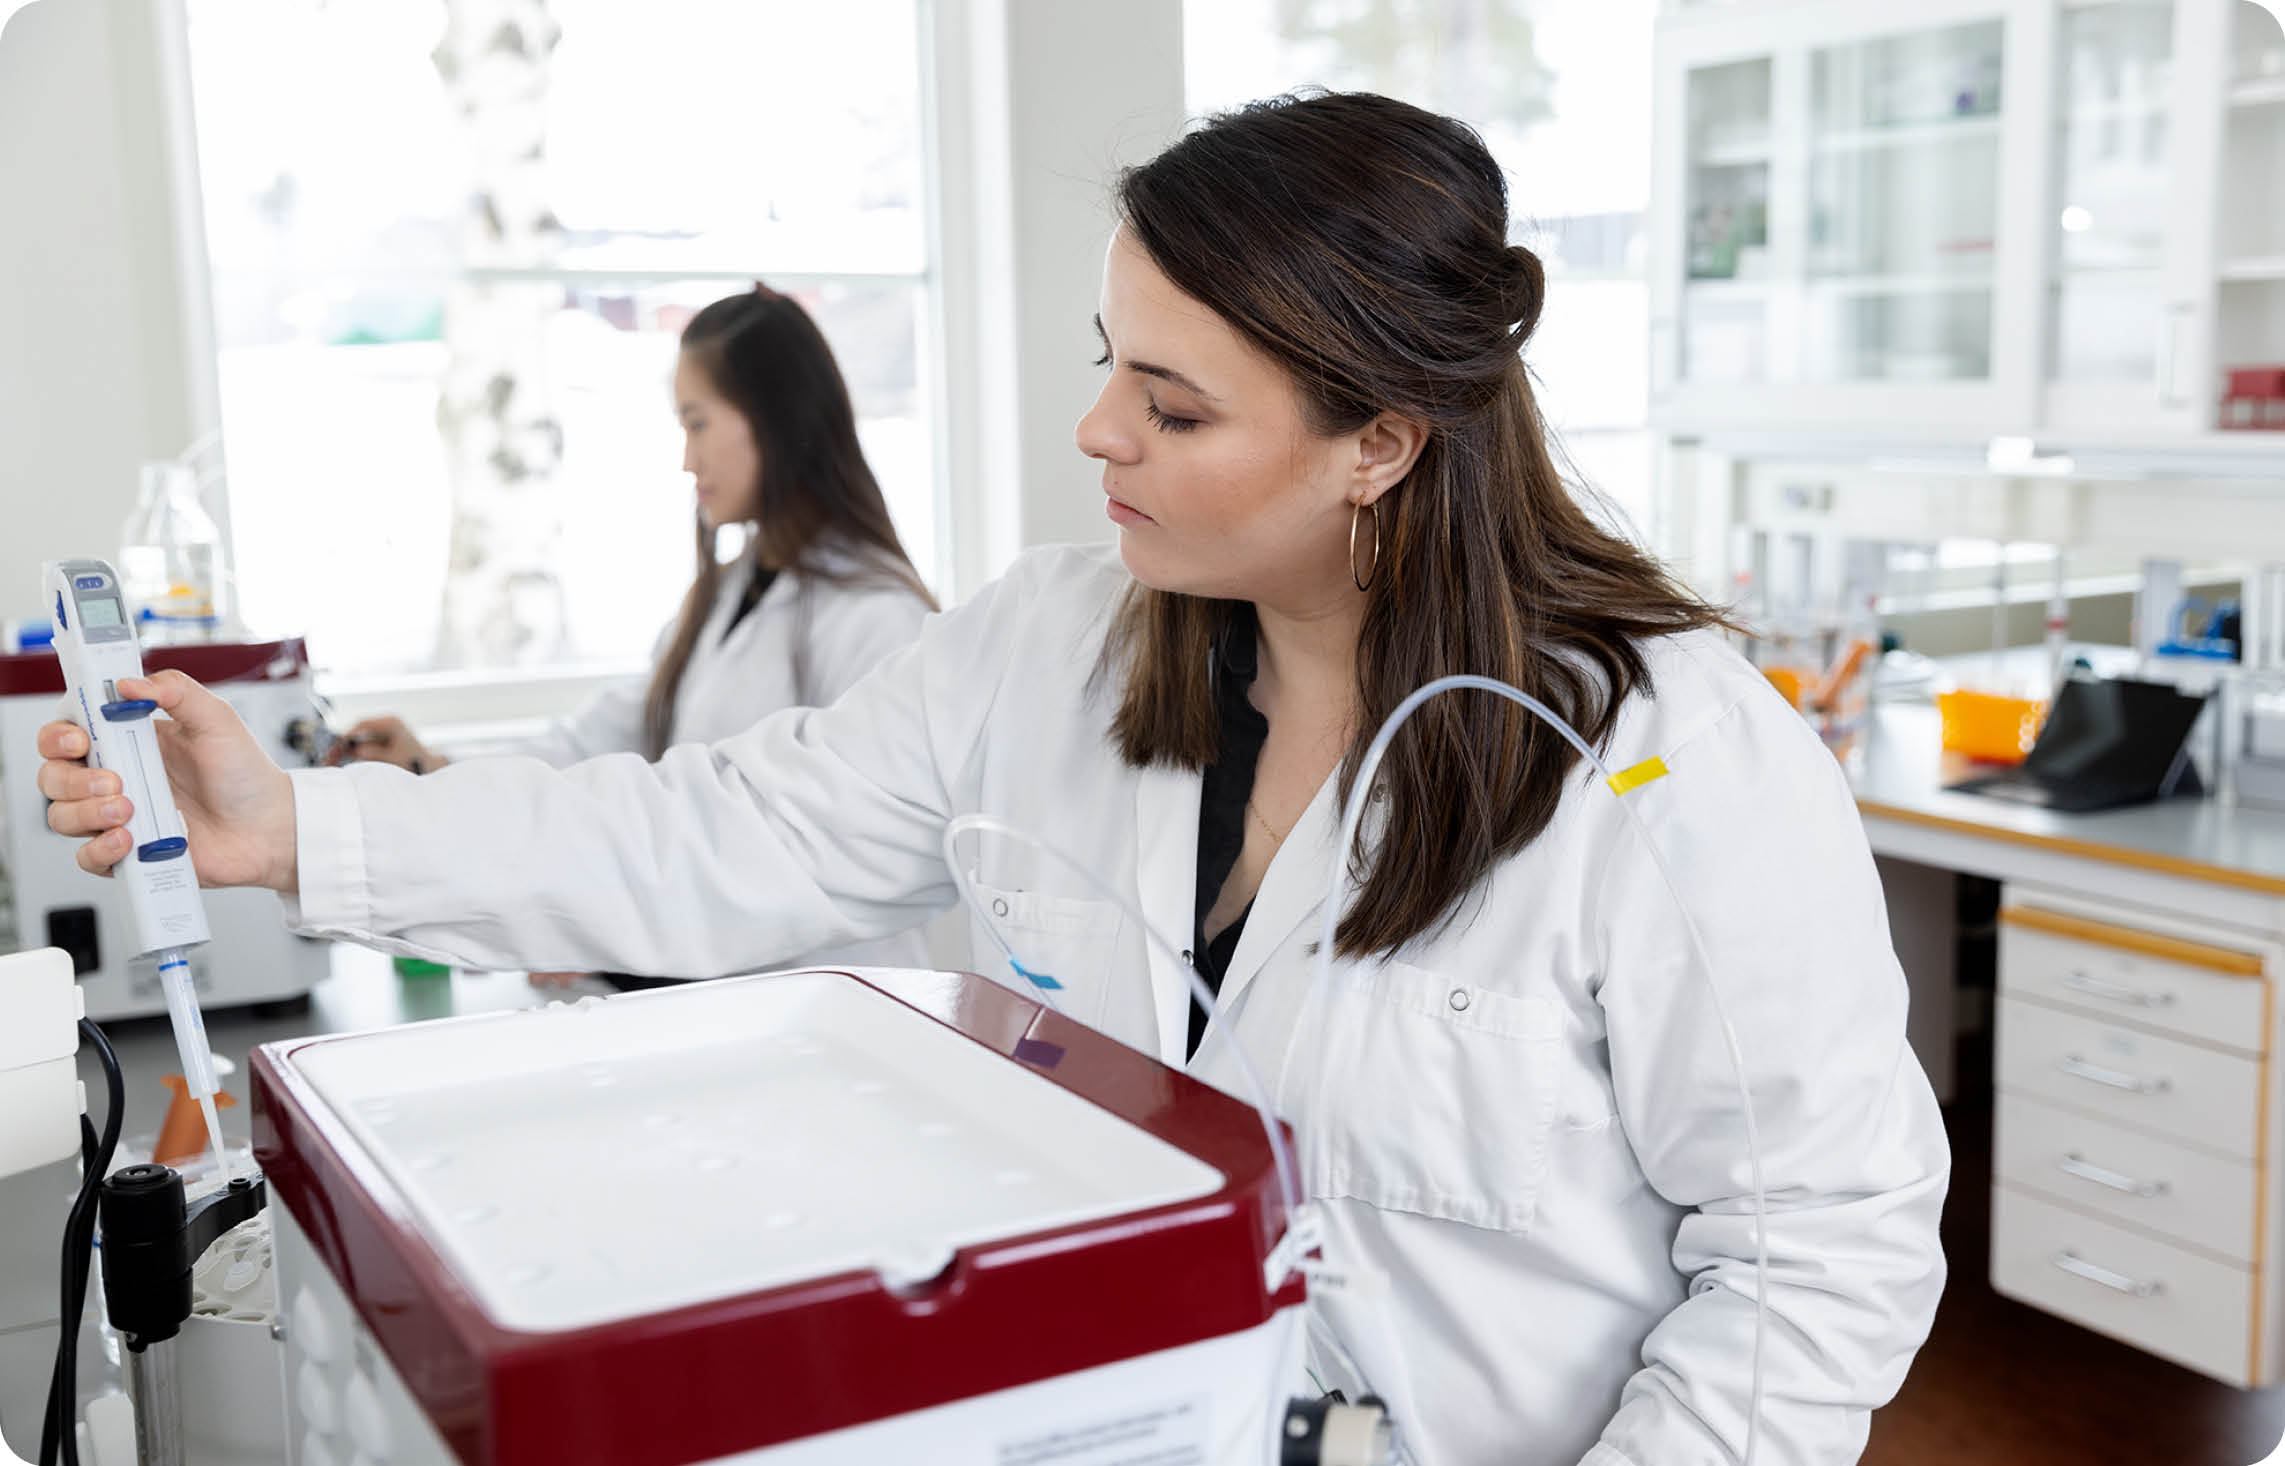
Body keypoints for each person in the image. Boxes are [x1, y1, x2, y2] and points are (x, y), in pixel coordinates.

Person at [40, 92, 1947, 1465]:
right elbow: (719, 828)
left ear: (1380, 438)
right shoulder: (1045, 646)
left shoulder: (1666, 762)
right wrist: (295, 830)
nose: (1097, 428)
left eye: (1177, 406)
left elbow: (1817, 1251)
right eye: (1113, 359)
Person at [333, 284, 939, 975]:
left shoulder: (878, 617)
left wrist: (602, 929)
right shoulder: (722, 598)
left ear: (772, 417)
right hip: (728, 993)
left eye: (697, 423)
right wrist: (428, 772)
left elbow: (837, 856)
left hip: (834, 994)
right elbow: (594, 748)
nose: (687, 459)